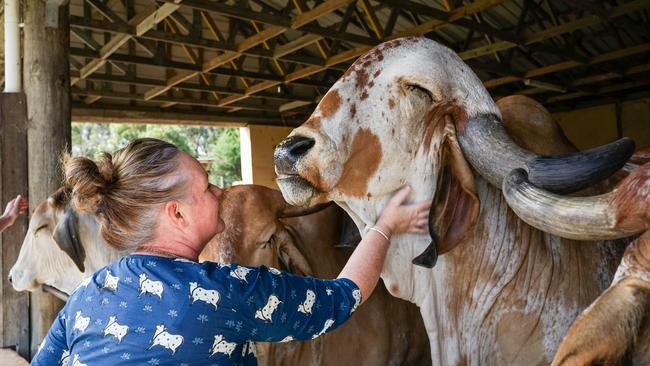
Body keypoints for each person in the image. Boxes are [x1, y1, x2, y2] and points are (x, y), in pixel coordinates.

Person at [31, 138, 430, 366]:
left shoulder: (87, 294)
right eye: (207, 187)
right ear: (178, 214)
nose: (221, 192)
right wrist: (384, 224)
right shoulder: (225, 293)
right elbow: (345, 296)